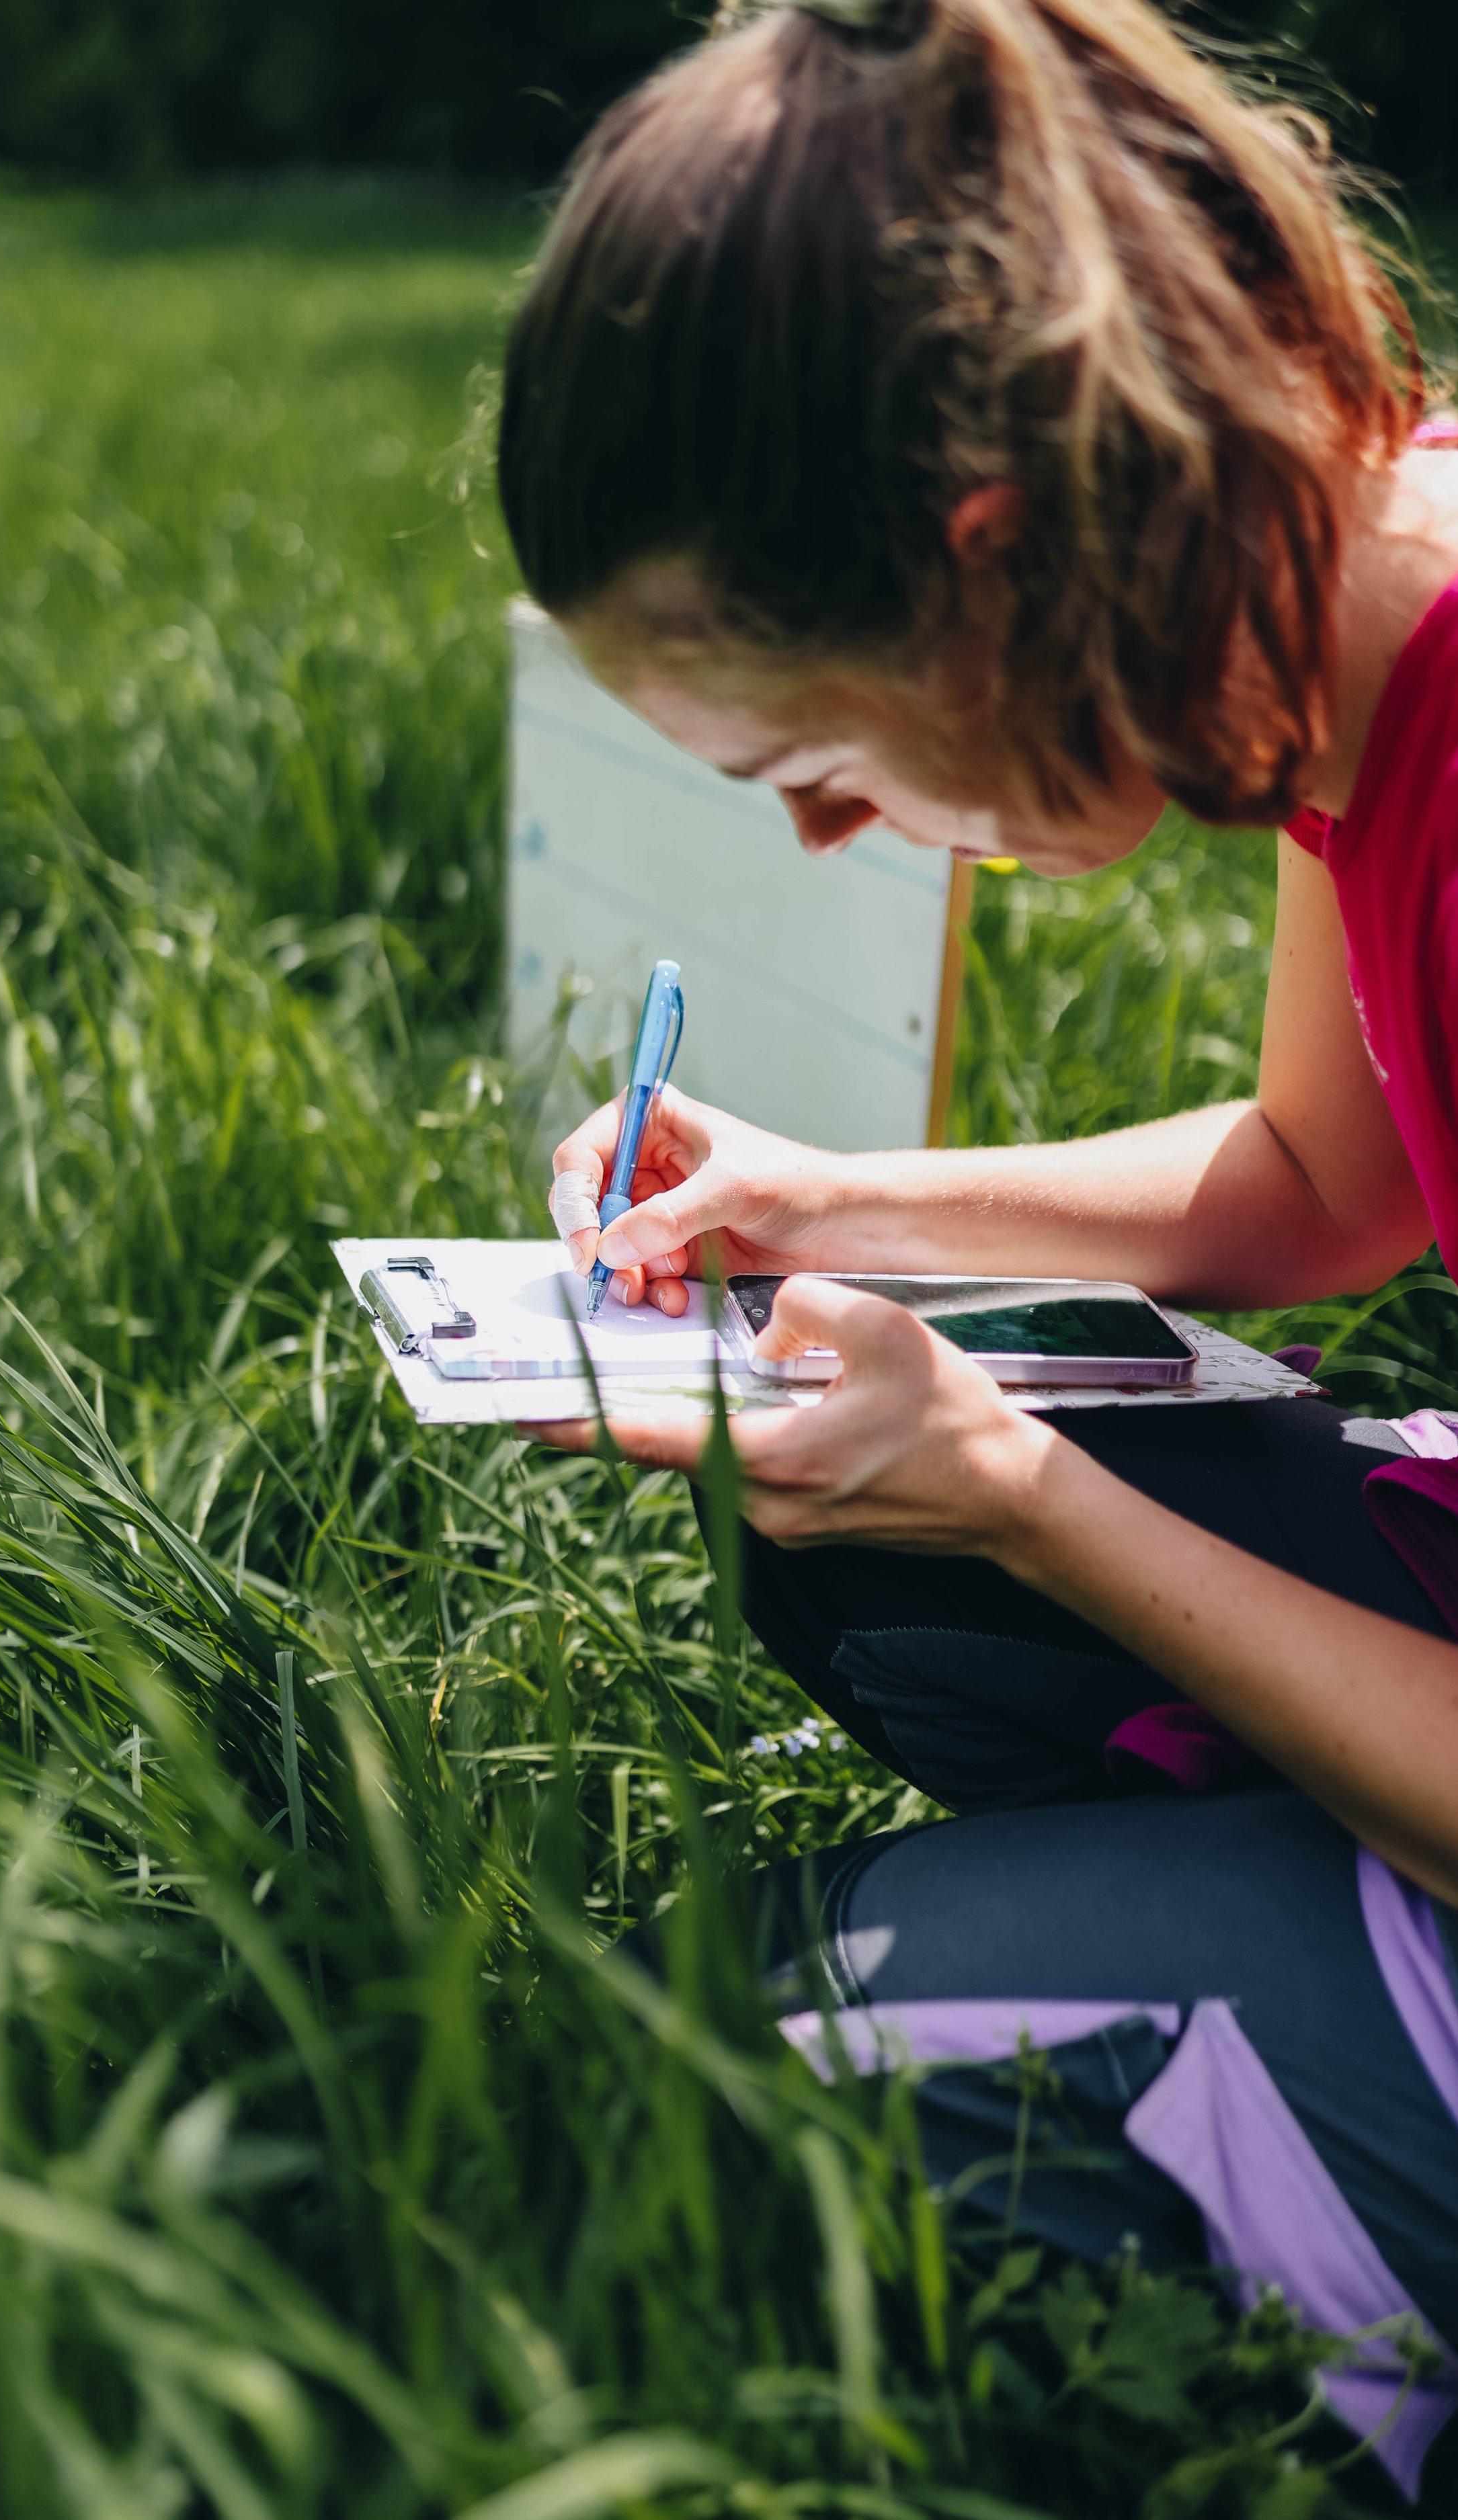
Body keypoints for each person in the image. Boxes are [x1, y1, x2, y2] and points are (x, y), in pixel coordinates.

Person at [497, 0, 1458, 2498]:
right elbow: (1312, 1186)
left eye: (820, 769)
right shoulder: (1353, 601)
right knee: (863, 1567)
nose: (841, 842)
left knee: (734, 2093)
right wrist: (822, 1198)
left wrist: (1032, 1484)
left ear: (985, 554)